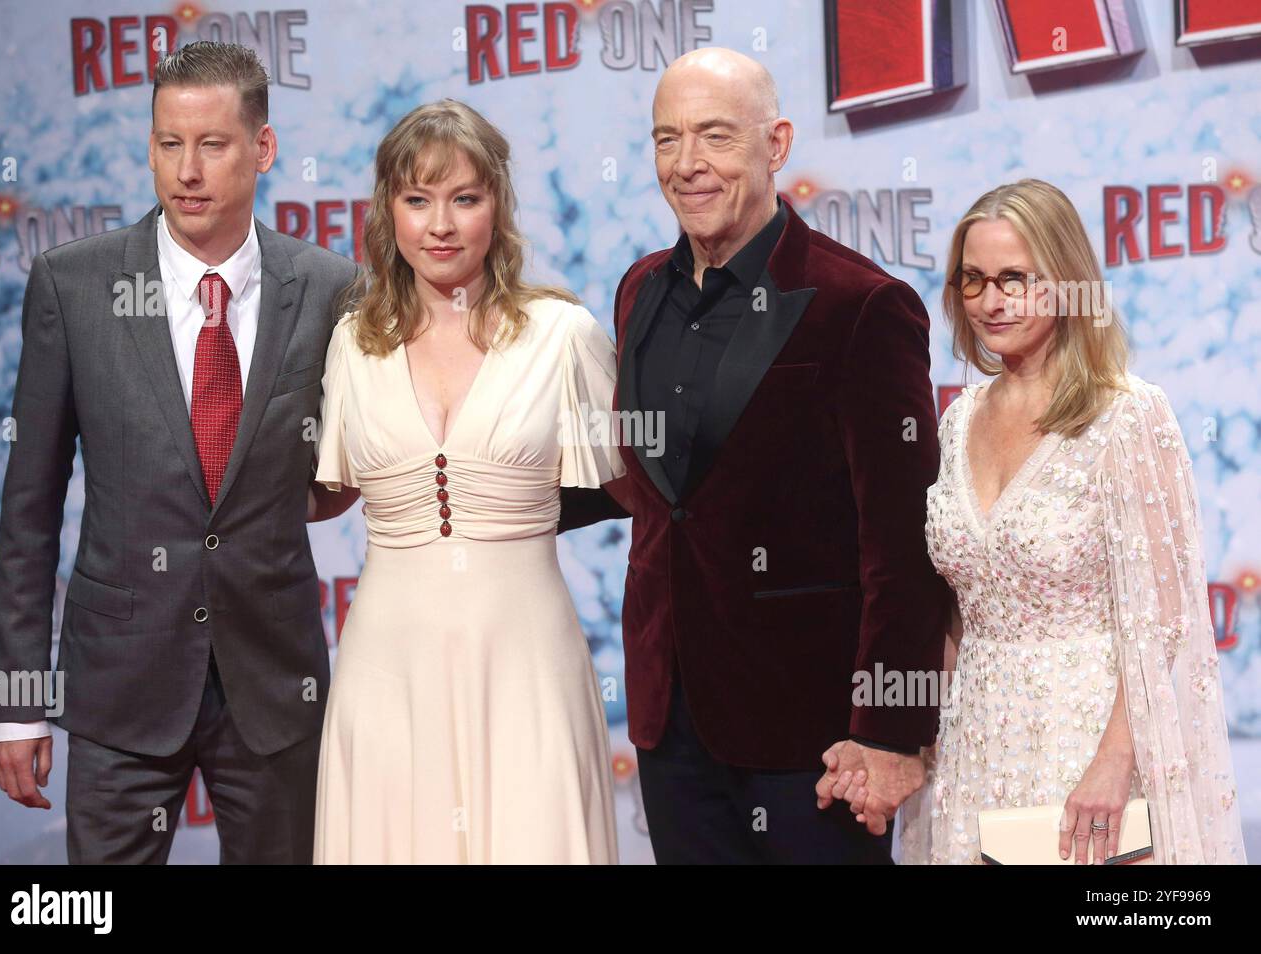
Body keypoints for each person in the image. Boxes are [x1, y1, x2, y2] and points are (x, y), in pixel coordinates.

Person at [0, 41, 358, 863]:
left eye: (212, 145)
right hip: (121, 685)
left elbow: (353, 461)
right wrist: (15, 700)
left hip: (273, 685)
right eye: (168, 144)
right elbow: (29, 507)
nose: (187, 170)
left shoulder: (332, 289)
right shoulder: (73, 286)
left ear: (262, 149)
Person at [603, 47, 948, 864]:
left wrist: (891, 734)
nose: (688, 165)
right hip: (670, 723)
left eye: (716, 136)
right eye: (666, 139)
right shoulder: (638, 290)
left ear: (777, 143)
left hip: (815, 739)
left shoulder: (861, 305)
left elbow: (902, 544)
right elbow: (658, 489)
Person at [886, 178, 1246, 864]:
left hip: (1089, 749)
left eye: (1015, 279)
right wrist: (915, 735)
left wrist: (1114, 765)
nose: (991, 301)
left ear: (1066, 282)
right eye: (974, 279)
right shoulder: (959, 417)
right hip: (973, 746)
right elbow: (962, 612)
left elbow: (1164, 619)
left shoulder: (1127, 414)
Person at [310, 99, 624, 864]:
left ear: (499, 207)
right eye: (417, 200)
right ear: (390, 212)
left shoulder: (563, 336)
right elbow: (326, 488)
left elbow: (637, 491)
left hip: (525, 661)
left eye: (464, 198)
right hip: (387, 667)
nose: (440, 224)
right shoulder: (354, 343)